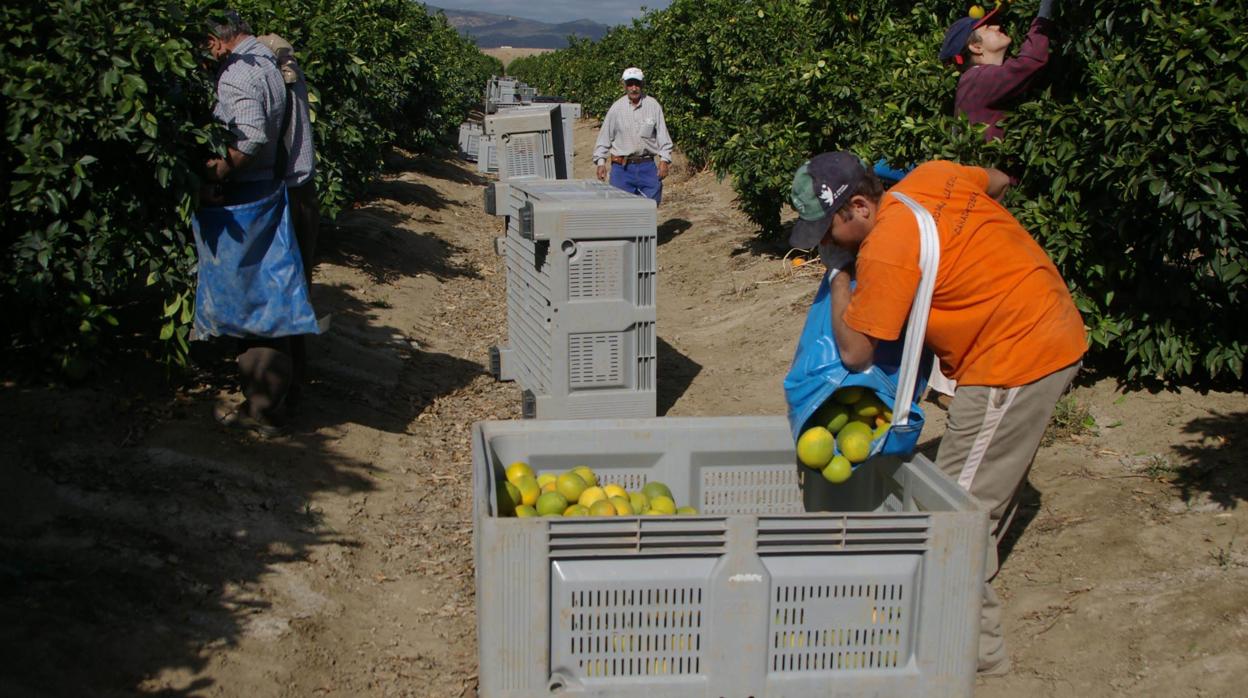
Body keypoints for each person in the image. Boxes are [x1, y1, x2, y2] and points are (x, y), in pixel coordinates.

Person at [788, 152, 1086, 675]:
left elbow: (856, 354)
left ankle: (976, 652)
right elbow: (998, 181)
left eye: (828, 234)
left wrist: (838, 278)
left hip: (1014, 357)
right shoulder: (933, 176)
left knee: (952, 515)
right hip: (1048, 317)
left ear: (860, 205)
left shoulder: (885, 250)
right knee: (973, 494)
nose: (825, 246)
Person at [202, 10, 296, 436]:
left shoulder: (237, 74)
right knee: (269, 294)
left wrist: (222, 169)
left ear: (217, 40)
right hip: (271, 190)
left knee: (253, 300)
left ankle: (263, 411)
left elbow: (253, 134)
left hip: (249, 194)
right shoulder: (266, 60)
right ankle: (272, 399)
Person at [257, 33, 318, 411]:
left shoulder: (275, 83)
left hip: (284, 197)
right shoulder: (295, 78)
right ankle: (295, 381)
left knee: (276, 298)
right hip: (303, 195)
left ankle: (274, 398)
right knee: (296, 293)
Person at [939, 1, 1058, 142]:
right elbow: (1029, 62)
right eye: (988, 27)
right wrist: (1044, 14)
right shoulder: (975, 79)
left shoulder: (976, 82)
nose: (997, 26)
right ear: (976, 47)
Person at [592, 67, 673, 204]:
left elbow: (663, 136)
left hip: (647, 167)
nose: (634, 88)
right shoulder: (616, 108)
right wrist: (601, 163)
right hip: (622, 169)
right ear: (624, 85)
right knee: (622, 211)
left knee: (650, 208)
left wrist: (664, 161)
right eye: (630, 84)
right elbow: (604, 138)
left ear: (642, 85)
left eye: (637, 84)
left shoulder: (653, 106)